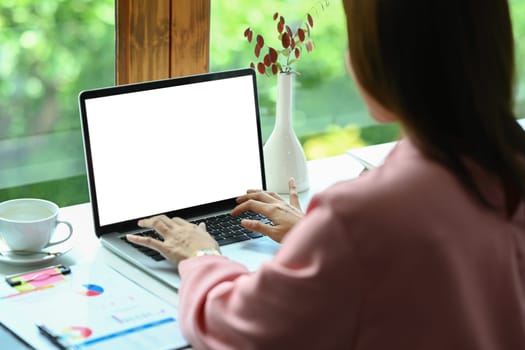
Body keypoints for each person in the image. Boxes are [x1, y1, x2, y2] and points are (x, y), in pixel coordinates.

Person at [126, 0, 525, 348]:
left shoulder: (365, 214)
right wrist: (314, 239)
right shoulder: (504, 166)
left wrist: (200, 254)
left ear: (386, 57)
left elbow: (239, 332)